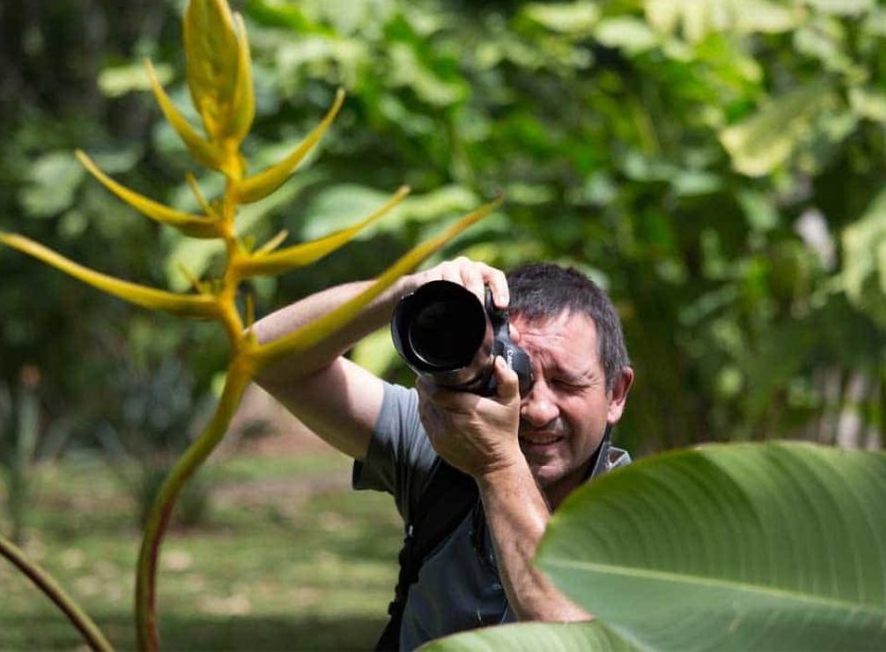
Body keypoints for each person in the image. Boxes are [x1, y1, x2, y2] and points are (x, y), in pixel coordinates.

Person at [252, 257, 635, 650]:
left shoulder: (648, 517)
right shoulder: (445, 443)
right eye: (519, 376)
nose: (538, 410)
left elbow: (575, 642)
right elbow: (264, 354)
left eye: (566, 384)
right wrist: (408, 292)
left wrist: (498, 466)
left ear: (616, 393)